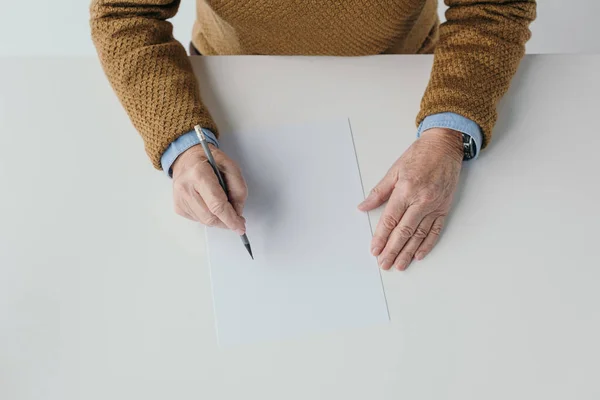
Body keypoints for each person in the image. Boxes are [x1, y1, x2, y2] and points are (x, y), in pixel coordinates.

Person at [90, 0, 536, 271]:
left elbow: (494, 7)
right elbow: (125, 11)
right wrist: (181, 145)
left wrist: (447, 132)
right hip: (229, 86)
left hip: (405, 85)